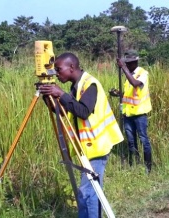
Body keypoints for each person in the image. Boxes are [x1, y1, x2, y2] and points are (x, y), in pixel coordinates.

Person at [39, 52, 124, 218]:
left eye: (58, 69)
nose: (56, 73)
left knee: (88, 193)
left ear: (71, 67)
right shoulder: (76, 86)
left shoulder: (90, 84)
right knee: (87, 192)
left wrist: (61, 94)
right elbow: (62, 112)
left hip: (97, 147)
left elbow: (83, 112)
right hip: (85, 149)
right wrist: (48, 96)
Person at [116, 50, 153, 173]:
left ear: (136, 61)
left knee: (143, 140)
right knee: (131, 141)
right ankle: (136, 165)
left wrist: (123, 68)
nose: (128, 65)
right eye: (127, 63)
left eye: (130, 63)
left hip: (140, 114)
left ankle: (148, 168)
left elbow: (135, 84)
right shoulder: (129, 75)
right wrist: (118, 94)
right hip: (128, 114)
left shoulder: (142, 73)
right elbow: (128, 95)